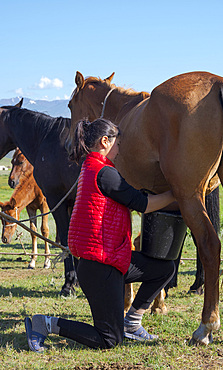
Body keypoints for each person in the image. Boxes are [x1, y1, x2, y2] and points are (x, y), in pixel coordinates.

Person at [24, 118, 176, 352]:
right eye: (117, 143)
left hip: (109, 257)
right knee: (109, 340)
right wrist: (177, 194)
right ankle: (45, 324)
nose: (119, 148)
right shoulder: (105, 173)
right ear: (105, 141)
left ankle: (133, 323)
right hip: (99, 267)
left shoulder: (91, 167)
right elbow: (142, 204)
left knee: (163, 270)